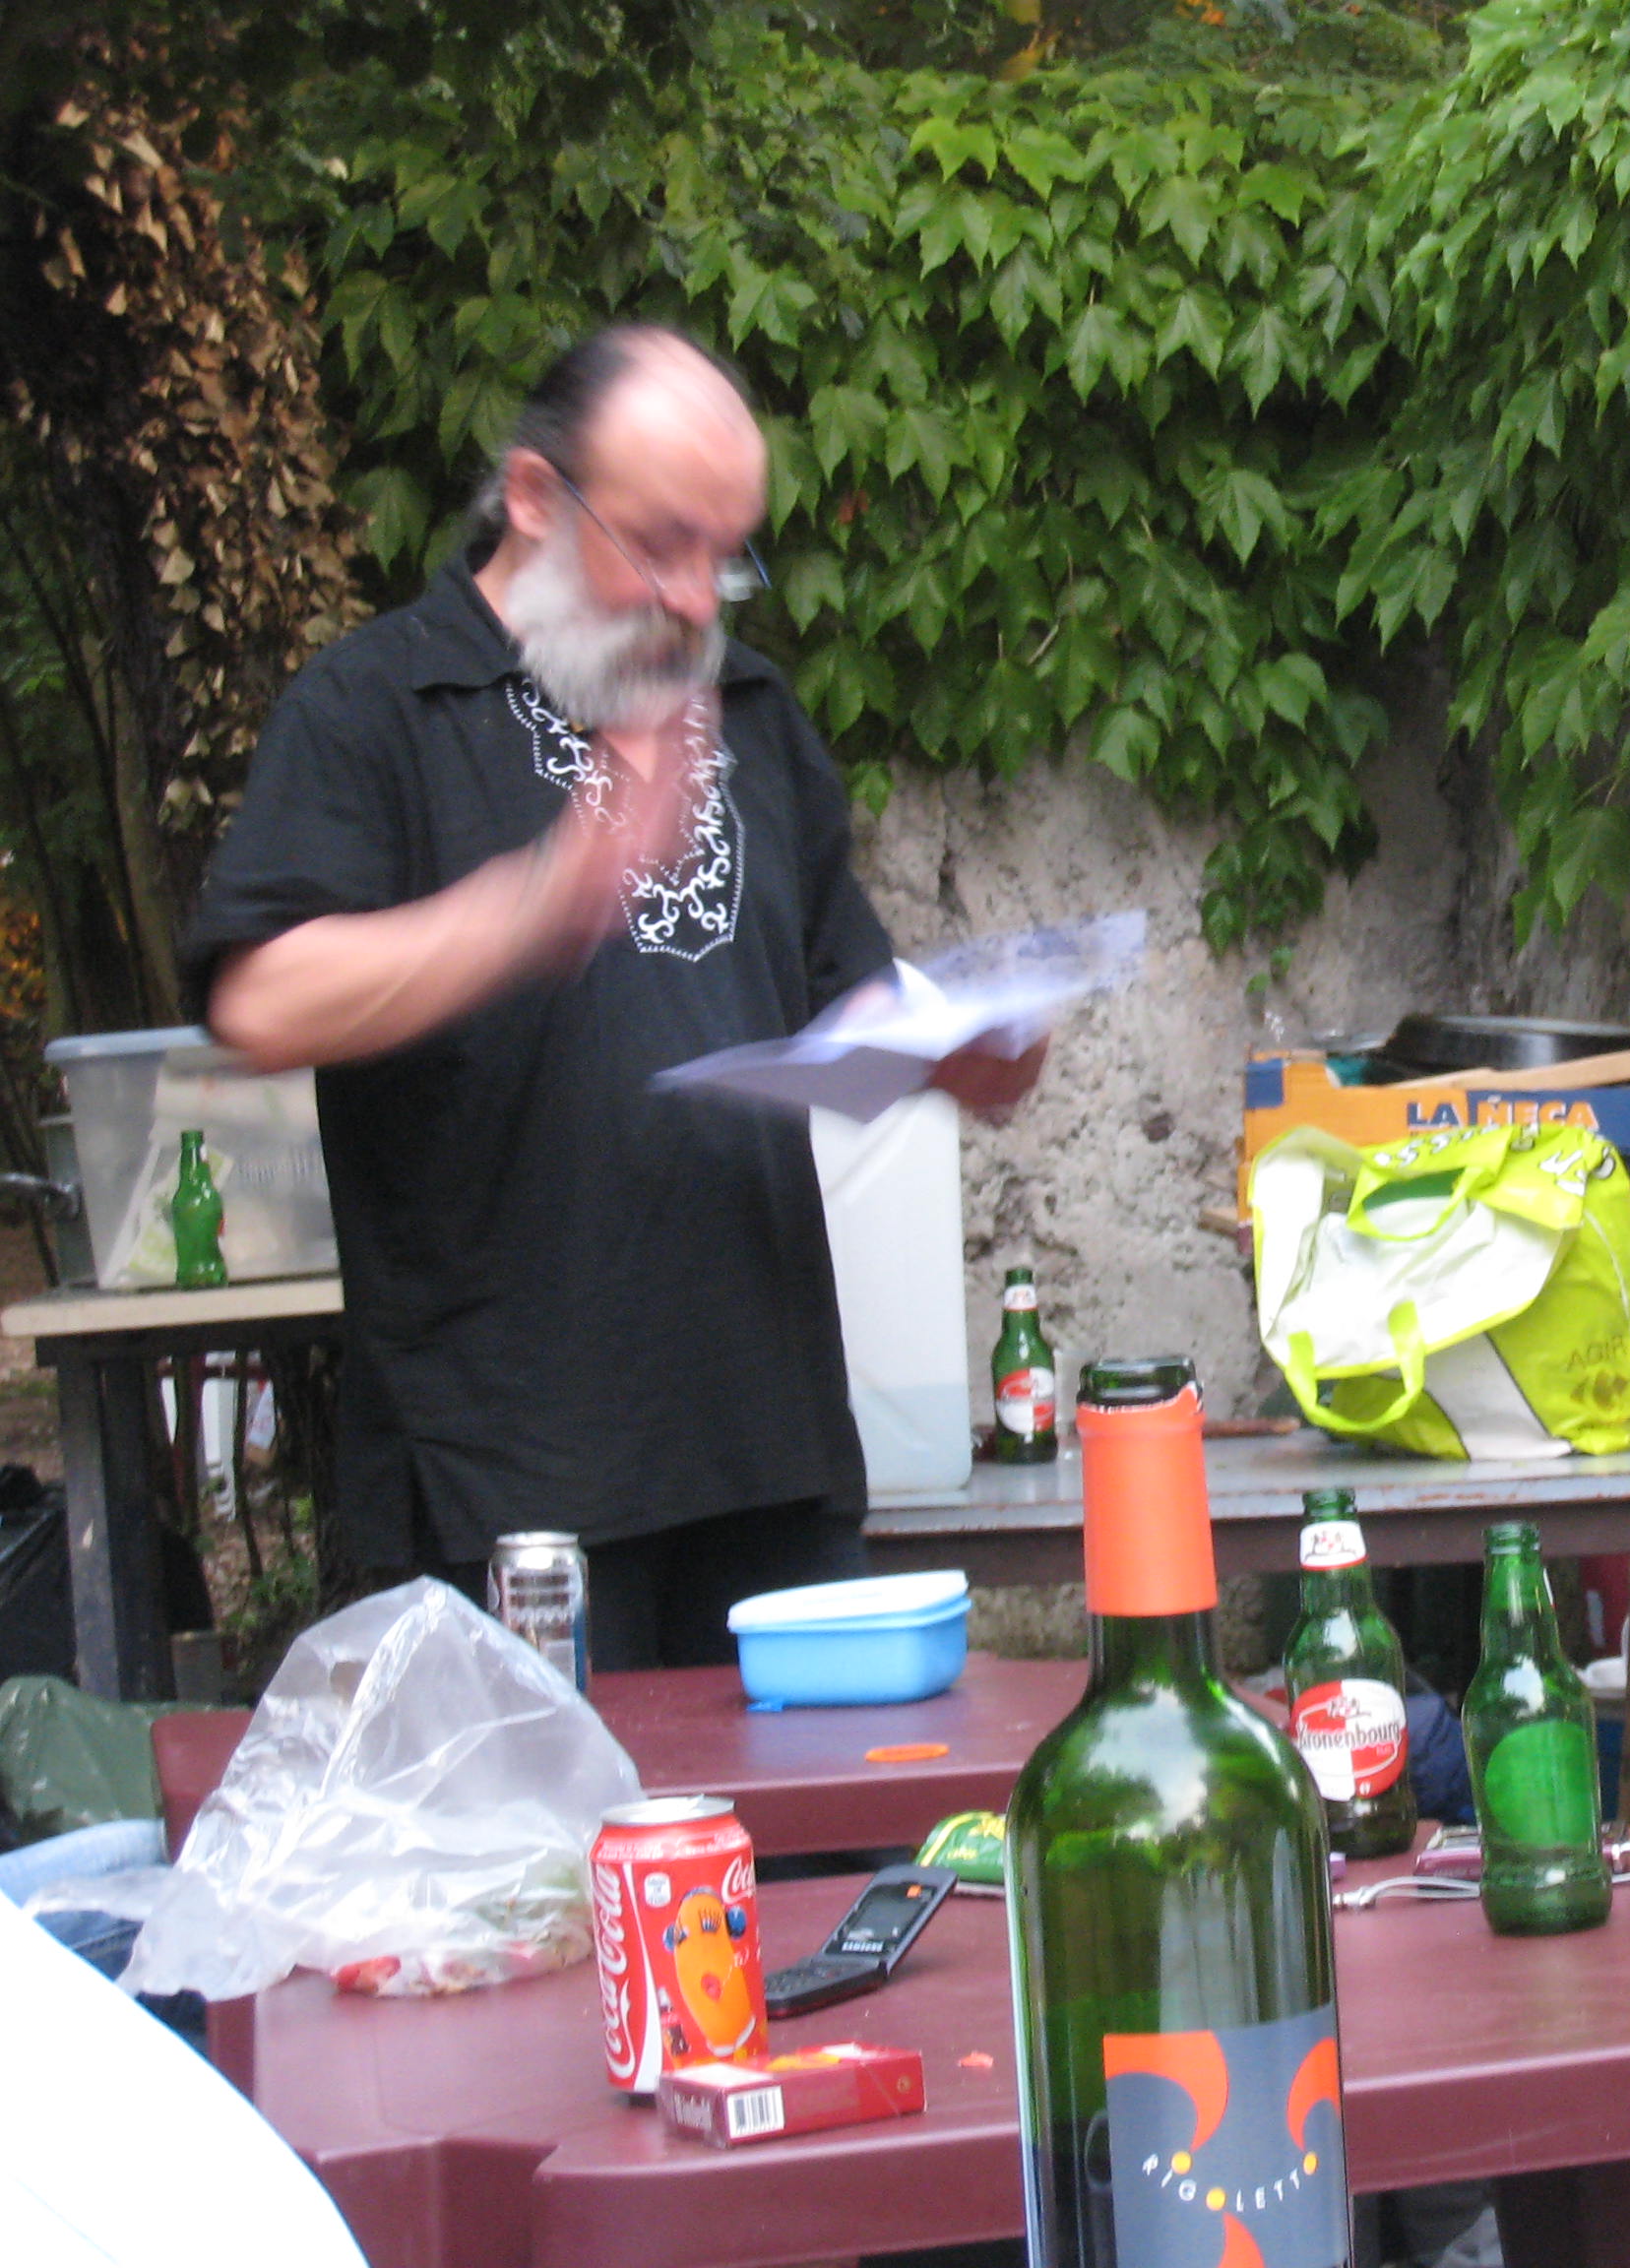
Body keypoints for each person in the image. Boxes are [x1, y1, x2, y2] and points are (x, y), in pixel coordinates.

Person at [183, 325, 1033, 1670]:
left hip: (772, 1463)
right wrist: (543, 898)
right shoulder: (378, 706)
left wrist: (955, 1053)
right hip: (511, 1492)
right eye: (658, 544)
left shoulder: (749, 710)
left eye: (725, 554)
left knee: (821, 1815)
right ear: (534, 497)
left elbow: (849, 1006)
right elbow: (260, 998)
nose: (694, 599)